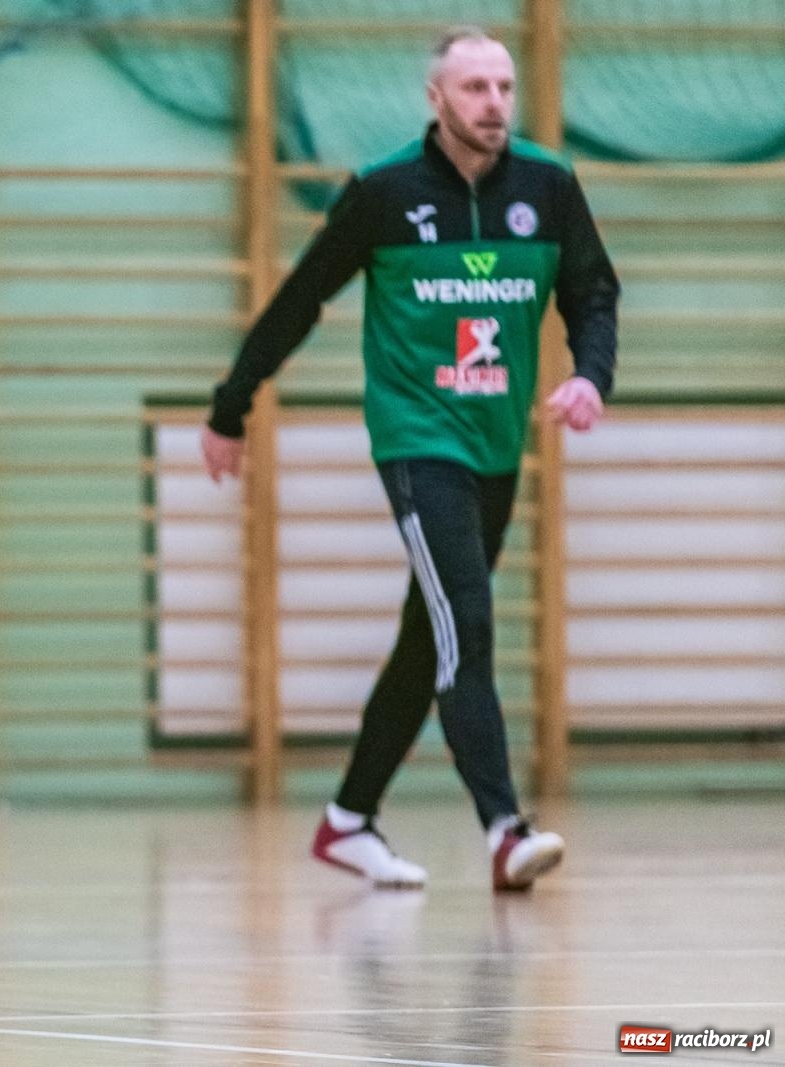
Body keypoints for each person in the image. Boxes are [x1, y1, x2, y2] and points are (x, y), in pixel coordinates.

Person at [201, 28, 618, 892]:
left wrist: (590, 375)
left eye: (504, 86)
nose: (494, 103)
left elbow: (592, 291)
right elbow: (301, 297)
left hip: (496, 443)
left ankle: (349, 817)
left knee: (428, 637)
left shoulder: (549, 185)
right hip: (416, 438)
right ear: (437, 98)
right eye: (475, 88)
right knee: (465, 618)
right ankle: (505, 827)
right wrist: (230, 407)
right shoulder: (385, 193)